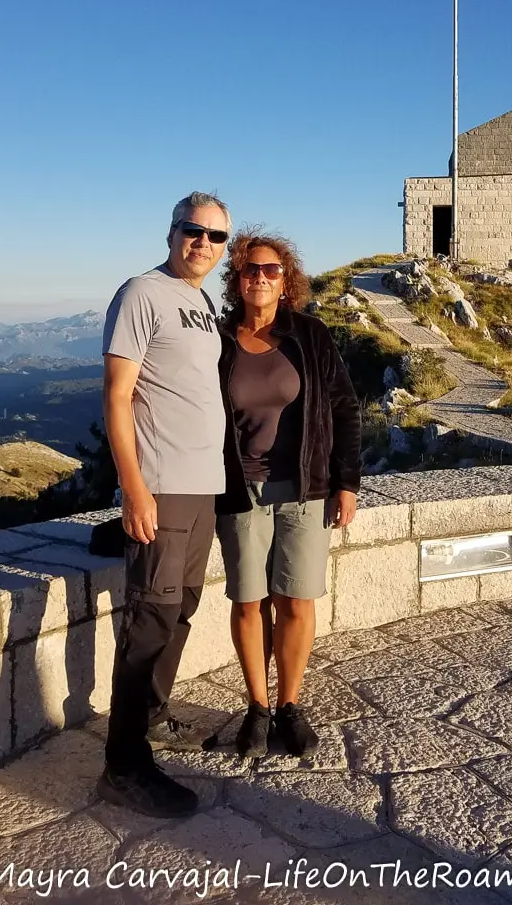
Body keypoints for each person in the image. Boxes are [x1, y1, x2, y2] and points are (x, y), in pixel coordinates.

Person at [96, 191, 230, 818]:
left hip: (202, 486)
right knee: (151, 617)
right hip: (162, 483)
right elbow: (117, 396)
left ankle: (151, 717)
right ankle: (123, 767)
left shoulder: (202, 301)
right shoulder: (141, 292)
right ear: (172, 231)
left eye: (215, 236)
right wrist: (134, 488)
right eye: (192, 230)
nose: (203, 242)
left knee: (182, 611)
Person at [216, 230, 361, 758]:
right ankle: (257, 707)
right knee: (249, 600)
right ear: (236, 279)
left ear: (286, 281)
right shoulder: (219, 338)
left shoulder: (310, 336)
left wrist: (347, 482)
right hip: (239, 488)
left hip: (305, 488)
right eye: (250, 269)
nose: (259, 276)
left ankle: (289, 706)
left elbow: (344, 409)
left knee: (297, 599)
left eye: (270, 270)